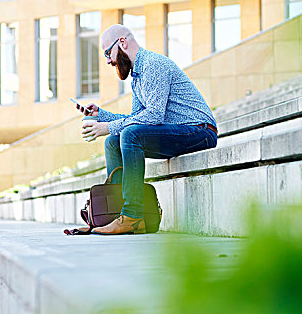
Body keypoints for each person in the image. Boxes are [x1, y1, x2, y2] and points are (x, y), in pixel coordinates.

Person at [77, 24, 218, 235]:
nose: (108, 60)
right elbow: (136, 119)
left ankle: (132, 215)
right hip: (176, 132)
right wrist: (102, 115)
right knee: (113, 141)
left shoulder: (153, 64)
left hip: (198, 131)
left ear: (122, 43)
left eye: (108, 53)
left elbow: (153, 116)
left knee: (129, 134)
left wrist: (107, 126)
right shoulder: (137, 77)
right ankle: (117, 213)